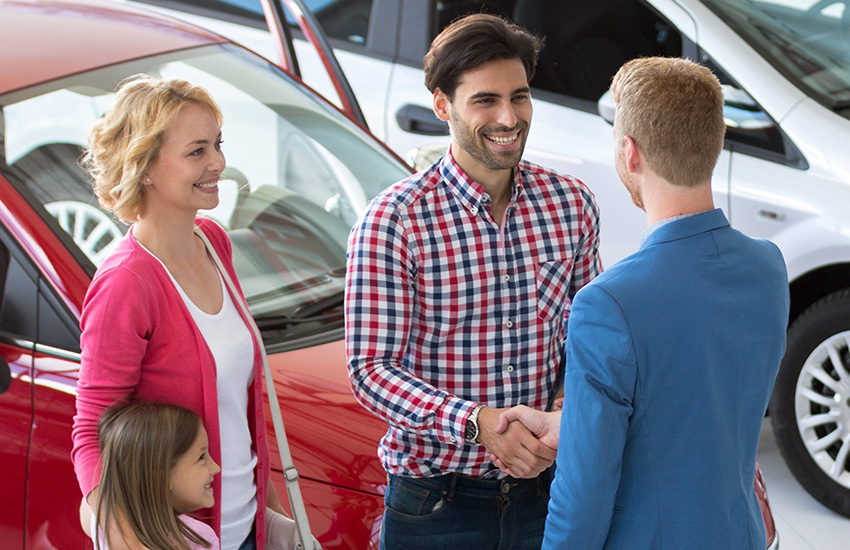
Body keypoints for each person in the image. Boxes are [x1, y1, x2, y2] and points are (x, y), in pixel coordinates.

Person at [497, 57, 789, 549]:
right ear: (713, 144)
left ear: (629, 152)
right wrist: (570, 422)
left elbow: (584, 491)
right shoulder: (768, 267)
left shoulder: (609, 304)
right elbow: (693, 408)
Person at [344, 13, 600, 549]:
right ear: (443, 105)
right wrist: (477, 423)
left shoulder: (571, 204)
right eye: (485, 100)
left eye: (520, 96)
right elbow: (370, 371)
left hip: (551, 491)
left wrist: (559, 416)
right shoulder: (395, 220)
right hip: (436, 503)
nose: (509, 117)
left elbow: (588, 341)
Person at [71, 75, 285, 550]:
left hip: (248, 529)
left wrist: (269, 513)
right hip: (183, 538)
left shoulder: (214, 241)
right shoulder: (127, 283)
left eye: (218, 144)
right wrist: (122, 533)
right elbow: (91, 429)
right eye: (197, 152)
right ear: (144, 166)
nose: (219, 164)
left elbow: (235, 410)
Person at [81, 401, 221, 550]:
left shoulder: (103, 521)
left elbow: (87, 505)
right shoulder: (198, 538)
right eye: (201, 458)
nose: (216, 467)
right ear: (161, 476)